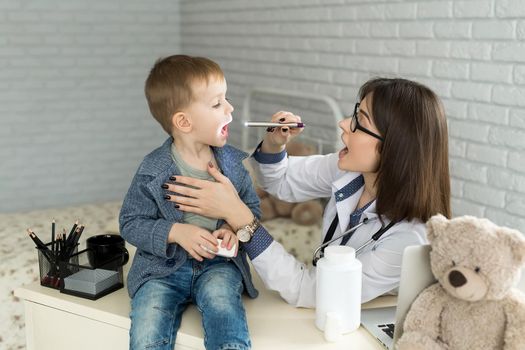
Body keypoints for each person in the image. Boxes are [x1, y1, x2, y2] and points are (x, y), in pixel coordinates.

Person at [162, 77, 451, 307]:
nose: (343, 124)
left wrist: (242, 219)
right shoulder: (351, 172)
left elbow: (315, 292)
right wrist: (275, 144)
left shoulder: (408, 239)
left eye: (360, 121)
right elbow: (283, 181)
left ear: (395, 147)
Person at [119, 55, 261, 350]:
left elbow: (251, 211)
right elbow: (131, 222)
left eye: (226, 99)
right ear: (183, 122)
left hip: (218, 266)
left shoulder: (233, 165)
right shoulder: (152, 170)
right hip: (161, 271)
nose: (230, 108)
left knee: (225, 309)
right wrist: (175, 232)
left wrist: (231, 230)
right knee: (147, 327)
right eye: (217, 103)